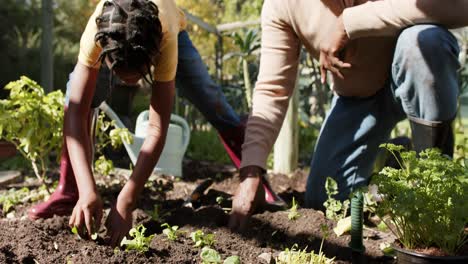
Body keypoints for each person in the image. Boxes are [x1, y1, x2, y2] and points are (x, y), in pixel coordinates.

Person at [26, 0, 282, 246]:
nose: (129, 84)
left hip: (164, 28)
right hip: (117, 37)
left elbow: (157, 128)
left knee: (210, 99)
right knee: (76, 93)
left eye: (137, 76)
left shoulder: (166, 37)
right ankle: (70, 190)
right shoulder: (98, 29)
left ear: (154, 55)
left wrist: (127, 199)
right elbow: (75, 112)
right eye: (120, 74)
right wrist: (87, 188)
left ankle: (254, 176)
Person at [229, 0, 468, 231]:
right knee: (325, 200)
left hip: (413, 71)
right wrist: (251, 170)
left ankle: (435, 182)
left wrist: (349, 23)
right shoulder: (282, 5)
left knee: (424, 41)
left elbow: (458, 6)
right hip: (359, 99)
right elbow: (273, 88)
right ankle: (391, 159)